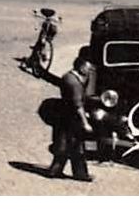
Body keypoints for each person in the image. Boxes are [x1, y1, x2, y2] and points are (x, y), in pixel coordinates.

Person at [46, 47, 97, 182]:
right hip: (71, 117)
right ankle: (79, 174)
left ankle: (56, 170)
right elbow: (77, 105)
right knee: (76, 146)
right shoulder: (73, 83)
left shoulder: (69, 77)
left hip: (65, 116)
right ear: (80, 66)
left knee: (65, 144)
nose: (89, 69)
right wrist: (85, 123)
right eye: (87, 67)